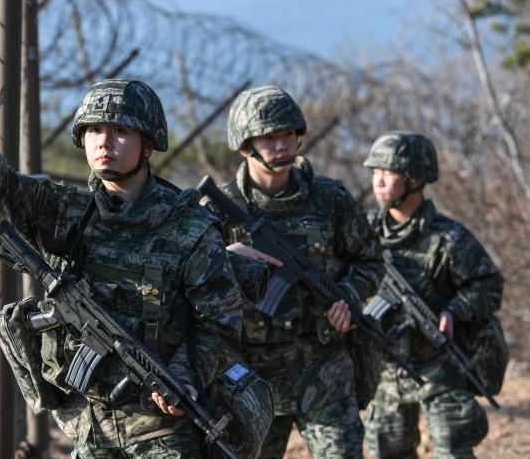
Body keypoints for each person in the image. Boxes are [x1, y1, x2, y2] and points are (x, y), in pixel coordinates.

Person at [0, 79, 245, 458]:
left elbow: (220, 321)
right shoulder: (65, 211)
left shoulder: (190, 229)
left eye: (120, 131)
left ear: (148, 144)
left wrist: (183, 376)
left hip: (162, 431)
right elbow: (0, 186)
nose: (104, 141)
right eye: (94, 130)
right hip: (89, 428)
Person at [202, 85, 383, 459]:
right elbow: (188, 284)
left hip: (324, 367)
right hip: (250, 375)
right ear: (244, 146)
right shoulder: (215, 209)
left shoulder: (330, 198)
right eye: (269, 137)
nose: (282, 145)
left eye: (288, 134)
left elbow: (370, 260)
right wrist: (226, 258)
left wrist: (348, 295)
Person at [362, 131, 504, 459]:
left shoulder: (449, 238)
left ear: (415, 179)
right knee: (387, 449)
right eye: (375, 173)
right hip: (387, 369)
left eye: (389, 173)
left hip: (439, 366)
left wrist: (454, 310)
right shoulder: (363, 230)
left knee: (452, 447)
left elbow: (489, 286)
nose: (379, 182)